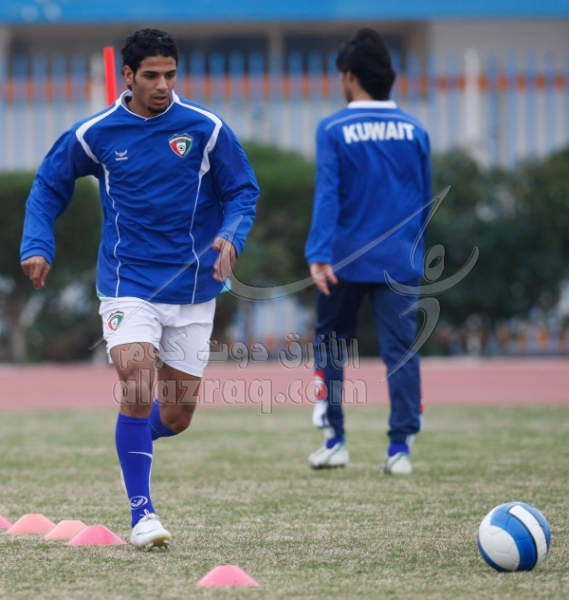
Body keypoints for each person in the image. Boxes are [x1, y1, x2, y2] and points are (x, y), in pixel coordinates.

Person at [20, 29, 259, 548]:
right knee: (137, 383)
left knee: (176, 414)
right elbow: (49, 183)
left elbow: (243, 190)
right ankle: (142, 514)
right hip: (127, 284)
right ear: (127, 76)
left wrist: (231, 234)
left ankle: (130, 439)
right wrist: (37, 243)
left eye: (170, 75)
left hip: (194, 288)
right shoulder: (96, 134)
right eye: (151, 75)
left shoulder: (206, 129)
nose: (162, 85)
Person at [305, 28, 431, 474]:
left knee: (331, 347)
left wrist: (317, 252)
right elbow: (425, 200)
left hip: (341, 258)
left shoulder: (333, 128)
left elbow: (328, 195)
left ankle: (335, 440)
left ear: (349, 76)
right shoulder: (415, 130)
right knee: (402, 352)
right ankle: (400, 449)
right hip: (400, 259)